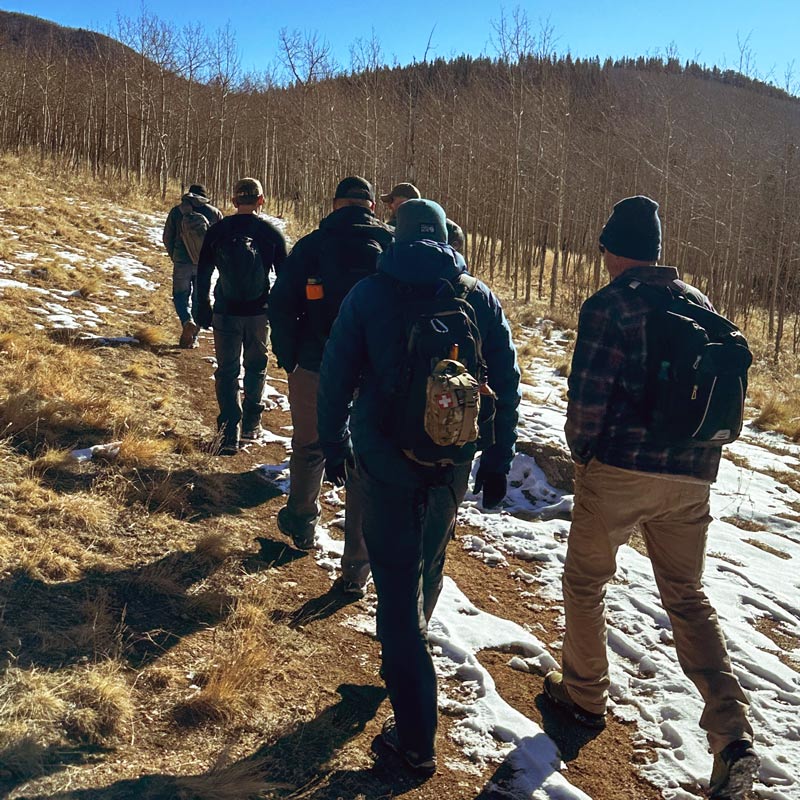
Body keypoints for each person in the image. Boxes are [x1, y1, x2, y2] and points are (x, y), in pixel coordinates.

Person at [548, 196, 759, 800]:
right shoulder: (698, 304)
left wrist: (583, 454)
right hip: (692, 475)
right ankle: (731, 734)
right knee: (688, 598)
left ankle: (585, 697)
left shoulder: (610, 306)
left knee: (587, 581)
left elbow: (587, 398)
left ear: (613, 249)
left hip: (619, 467)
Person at [317, 199, 520, 776]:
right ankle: (408, 664)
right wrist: (498, 456)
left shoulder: (369, 295)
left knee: (395, 586)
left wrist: (332, 445)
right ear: (446, 236)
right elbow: (505, 378)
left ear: (396, 237)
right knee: (428, 560)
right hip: (452, 461)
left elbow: (336, 373)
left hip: (384, 461)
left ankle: (415, 740)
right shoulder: (476, 295)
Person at [268, 176, 393, 589]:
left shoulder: (311, 245)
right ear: (372, 206)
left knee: (310, 445)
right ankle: (356, 568)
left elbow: (282, 304)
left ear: (336, 204)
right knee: (363, 462)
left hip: (315, 364)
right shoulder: (393, 247)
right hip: (374, 371)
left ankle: (302, 523)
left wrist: (288, 358)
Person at [196, 178, 287, 455]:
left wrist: (202, 306)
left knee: (226, 371)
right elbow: (285, 279)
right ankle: (251, 424)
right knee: (256, 367)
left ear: (234, 201)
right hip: (259, 314)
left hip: (225, 312)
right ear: (261, 200)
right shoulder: (271, 233)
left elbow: (203, 273)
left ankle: (228, 435)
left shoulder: (218, 230)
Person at [162, 184, 223, 348]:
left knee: (180, 295)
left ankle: (186, 320)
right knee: (199, 298)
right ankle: (194, 337)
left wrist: (175, 256)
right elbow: (220, 241)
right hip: (204, 264)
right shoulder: (214, 213)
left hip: (182, 261)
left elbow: (167, 237)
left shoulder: (177, 211)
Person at [380, 181, 465, 254]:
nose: (390, 206)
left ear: (407, 202)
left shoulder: (395, 226)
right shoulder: (446, 227)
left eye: (392, 200)